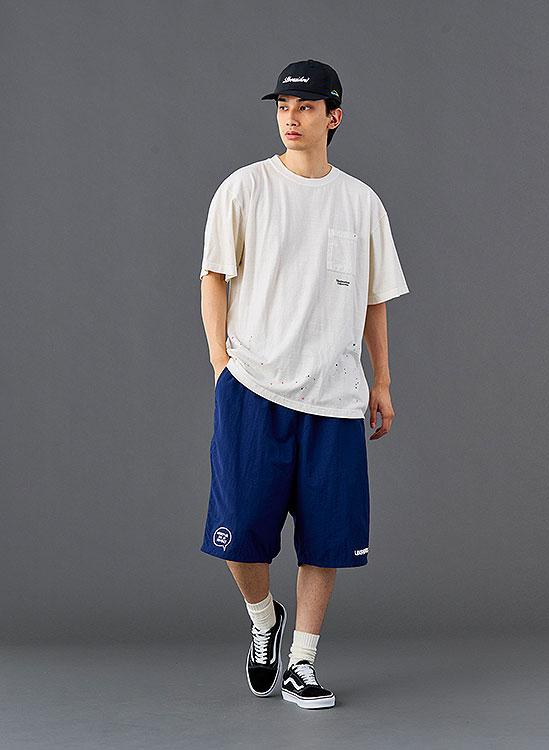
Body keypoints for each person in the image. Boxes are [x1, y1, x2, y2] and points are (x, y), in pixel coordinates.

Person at [198, 59, 410, 709]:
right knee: (238, 531)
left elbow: (374, 299)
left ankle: (303, 663)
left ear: (333, 116)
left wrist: (382, 381)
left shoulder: (361, 202)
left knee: (325, 538)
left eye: (306, 107)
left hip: (336, 397)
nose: (291, 118)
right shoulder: (245, 188)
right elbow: (213, 276)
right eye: (284, 107)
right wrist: (221, 364)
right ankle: (264, 618)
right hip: (254, 388)